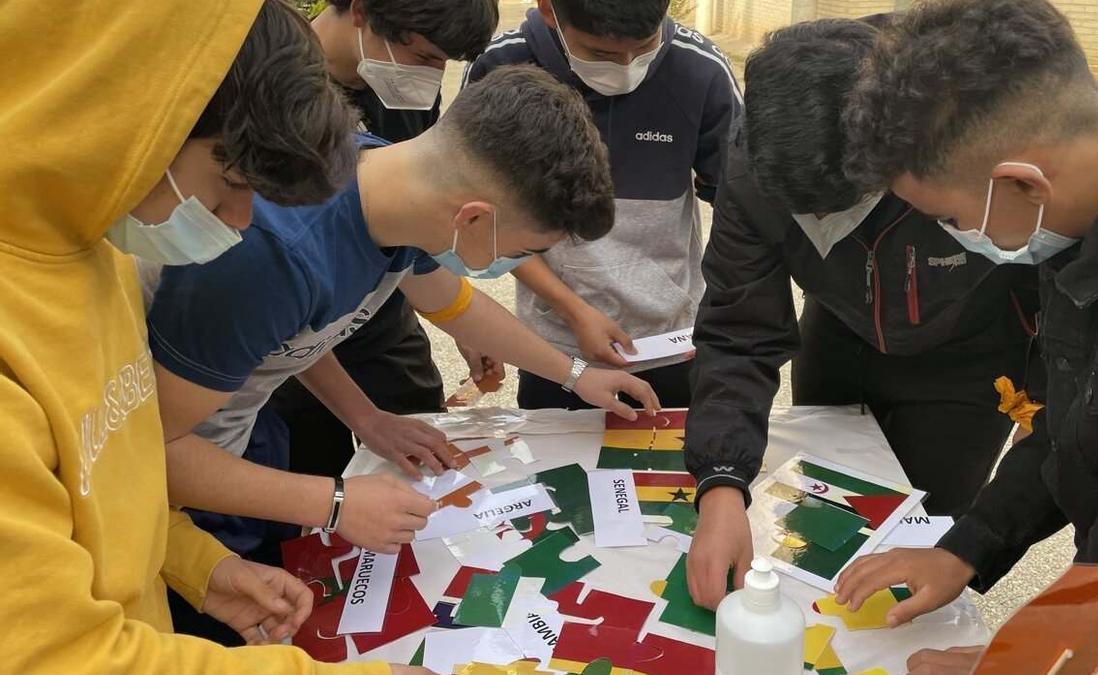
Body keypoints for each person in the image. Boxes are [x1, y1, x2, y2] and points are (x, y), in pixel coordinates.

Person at [0, 0, 426, 671]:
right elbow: (59, 656)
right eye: (228, 183)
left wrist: (200, 565)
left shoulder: (95, 249)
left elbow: (107, 475)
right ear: (127, 117)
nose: (236, 220)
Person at [148, 66, 659, 579]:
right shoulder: (272, 257)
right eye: (524, 250)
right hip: (175, 501)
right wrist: (335, 501)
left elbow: (451, 305)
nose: (513, 264)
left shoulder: (387, 177)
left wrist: (574, 374)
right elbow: (150, 453)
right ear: (473, 219)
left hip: (238, 441)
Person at [832, 0, 1098, 669]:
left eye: (945, 218)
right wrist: (969, 543)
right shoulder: (1084, 215)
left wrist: (1017, 663)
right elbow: (1069, 427)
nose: (955, 240)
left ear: (1021, 186)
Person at [682, 18, 1040, 609]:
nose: (828, 231)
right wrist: (721, 481)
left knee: (923, 536)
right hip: (840, 338)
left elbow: (1048, 292)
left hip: (974, 362)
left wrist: (1037, 380)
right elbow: (739, 330)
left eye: (844, 208)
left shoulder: (962, 135)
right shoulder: (756, 161)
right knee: (819, 526)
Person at [464, 0, 743, 409]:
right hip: (557, 348)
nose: (627, 66)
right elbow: (483, 221)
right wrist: (574, 312)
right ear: (548, 10)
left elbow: (740, 211)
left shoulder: (701, 71)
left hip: (671, 342)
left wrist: (724, 318)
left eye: (644, 48)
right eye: (601, 54)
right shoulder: (501, 66)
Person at [271, 0, 505, 481]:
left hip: (383, 312)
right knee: (316, 469)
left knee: (426, 450)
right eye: (424, 57)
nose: (431, 75)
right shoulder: (273, 86)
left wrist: (462, 323)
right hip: (295, 330)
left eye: (444, 63)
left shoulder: (403, 83)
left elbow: (416, 218)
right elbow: (286, 338)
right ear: (361, 12)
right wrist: (361, 419)